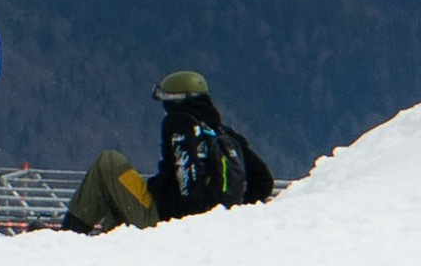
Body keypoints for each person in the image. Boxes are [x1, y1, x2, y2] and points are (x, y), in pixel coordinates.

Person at [62, 70, 274, 233]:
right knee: (125, 196)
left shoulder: (180, 122)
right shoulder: (224, 134)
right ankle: (107, 235)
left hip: (167, 223)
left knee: (109, 163)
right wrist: (228, 213)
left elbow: (186, 184)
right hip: (208, 225)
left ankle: (68, 234)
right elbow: (263, 182)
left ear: (177, 100)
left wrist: (180, 214)